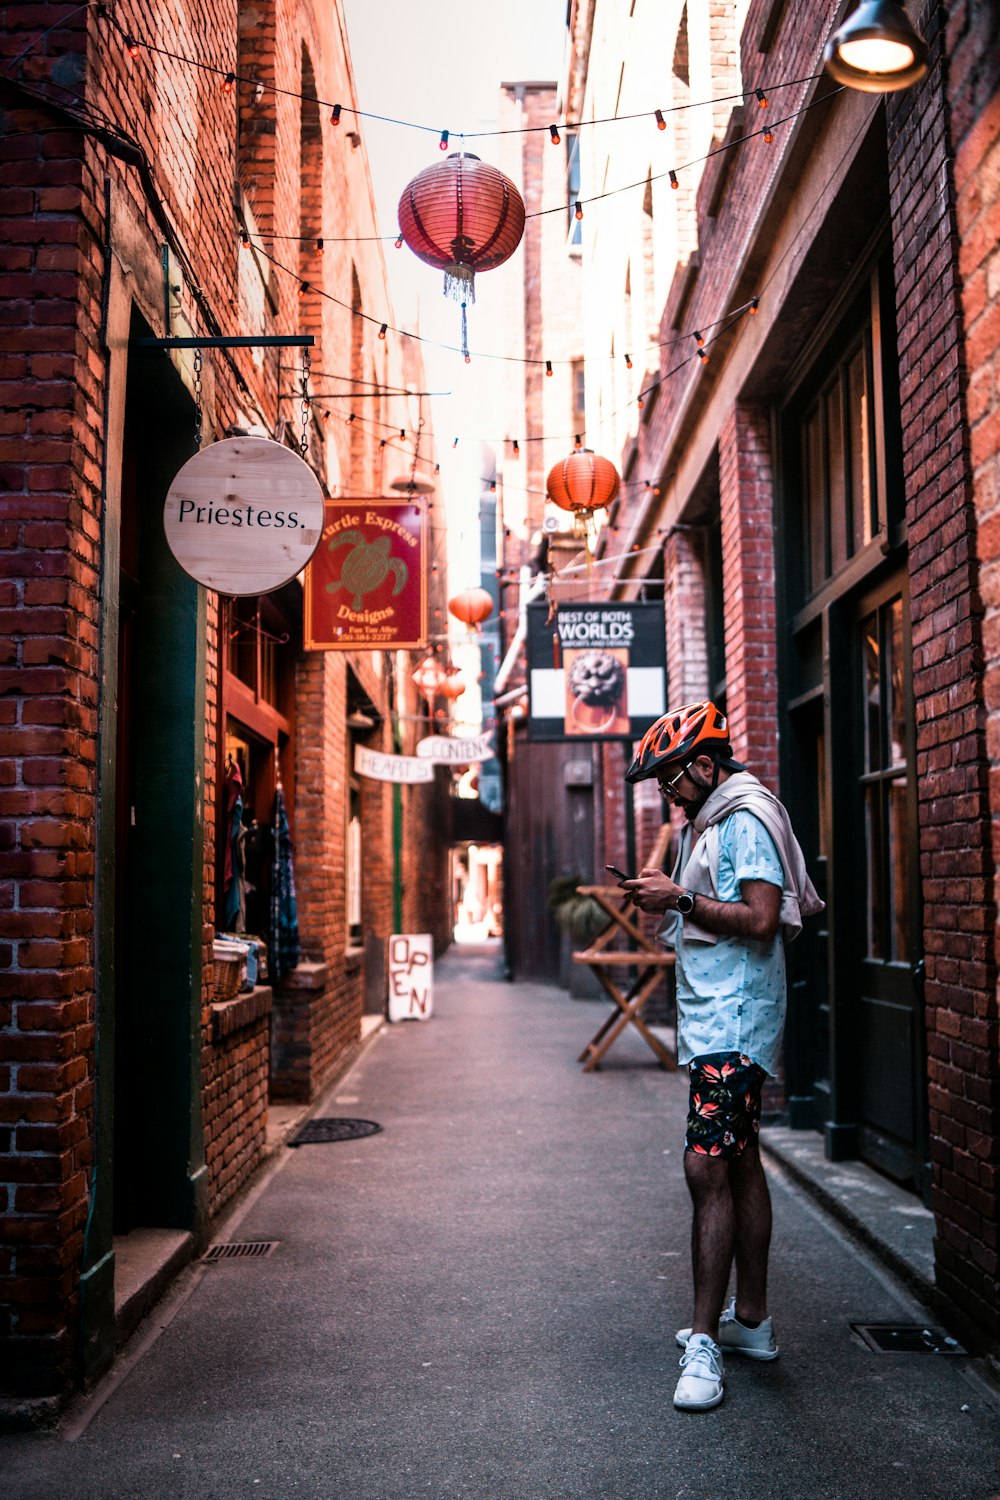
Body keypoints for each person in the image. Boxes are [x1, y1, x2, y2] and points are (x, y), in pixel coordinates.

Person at [622, 700, 823, 1413]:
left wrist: (679, 898)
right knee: (738, 1161)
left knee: (704, 1166)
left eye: (671, 778)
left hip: (735, 1020)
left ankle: (706, 1342)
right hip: (720, 1017)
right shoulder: (711, 821)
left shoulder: (742, 819)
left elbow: (764, 920)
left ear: (705, 765)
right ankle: (754, 1325)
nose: (665, 793)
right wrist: (676, 897)